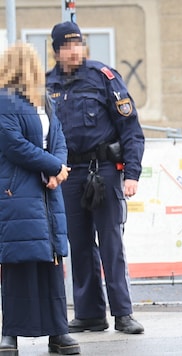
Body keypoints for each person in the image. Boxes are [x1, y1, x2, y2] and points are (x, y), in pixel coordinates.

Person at [46, 21, 145, 335]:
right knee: (79, 244)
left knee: (111, 242)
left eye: (78, 44)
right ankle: (89, 314)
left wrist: (132, 174)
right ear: (56, 50)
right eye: (67, 46)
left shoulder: (103, 77)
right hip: (68, 174)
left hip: (102, 170)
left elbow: (130, 129)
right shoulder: (46, 85)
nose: (74, 51)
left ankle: (123, 313)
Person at [0, 42, 79, 355]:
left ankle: (58, 332)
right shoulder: (4, 100)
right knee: (19, 262)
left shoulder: (43, 100)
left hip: (46, 195)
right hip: (18, 194)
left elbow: (58, 139)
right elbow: (13, 145)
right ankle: (11, 334)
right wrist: (53, 165)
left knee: (50, 262)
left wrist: (58, 167)